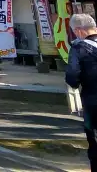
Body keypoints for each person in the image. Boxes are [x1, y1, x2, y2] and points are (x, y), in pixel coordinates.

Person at [66, 13, 97, 171]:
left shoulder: (79, 48)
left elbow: (72, 76)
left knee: (95, 145)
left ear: (78, 31)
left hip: (93, 102)